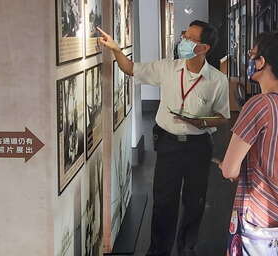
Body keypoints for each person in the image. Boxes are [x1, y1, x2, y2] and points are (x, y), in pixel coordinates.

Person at [98, 20, 230, 256]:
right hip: (168, 145)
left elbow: (222, 117)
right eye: (184, 35)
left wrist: (202, 122)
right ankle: (158, 250)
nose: (184, 41)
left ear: (204, 48)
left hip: (198, 147)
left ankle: (186, 248)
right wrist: (117, 50)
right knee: (163, 201)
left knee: (194, 202)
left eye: (191, 39)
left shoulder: (217, 80)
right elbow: (130, 68)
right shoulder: (168, 68)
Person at [219, 31, 278, 255]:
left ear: (262, 62)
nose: (251, 61)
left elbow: (229, 169)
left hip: (261, 225)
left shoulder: (259, 105)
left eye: (253, 55)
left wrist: (227, 167)